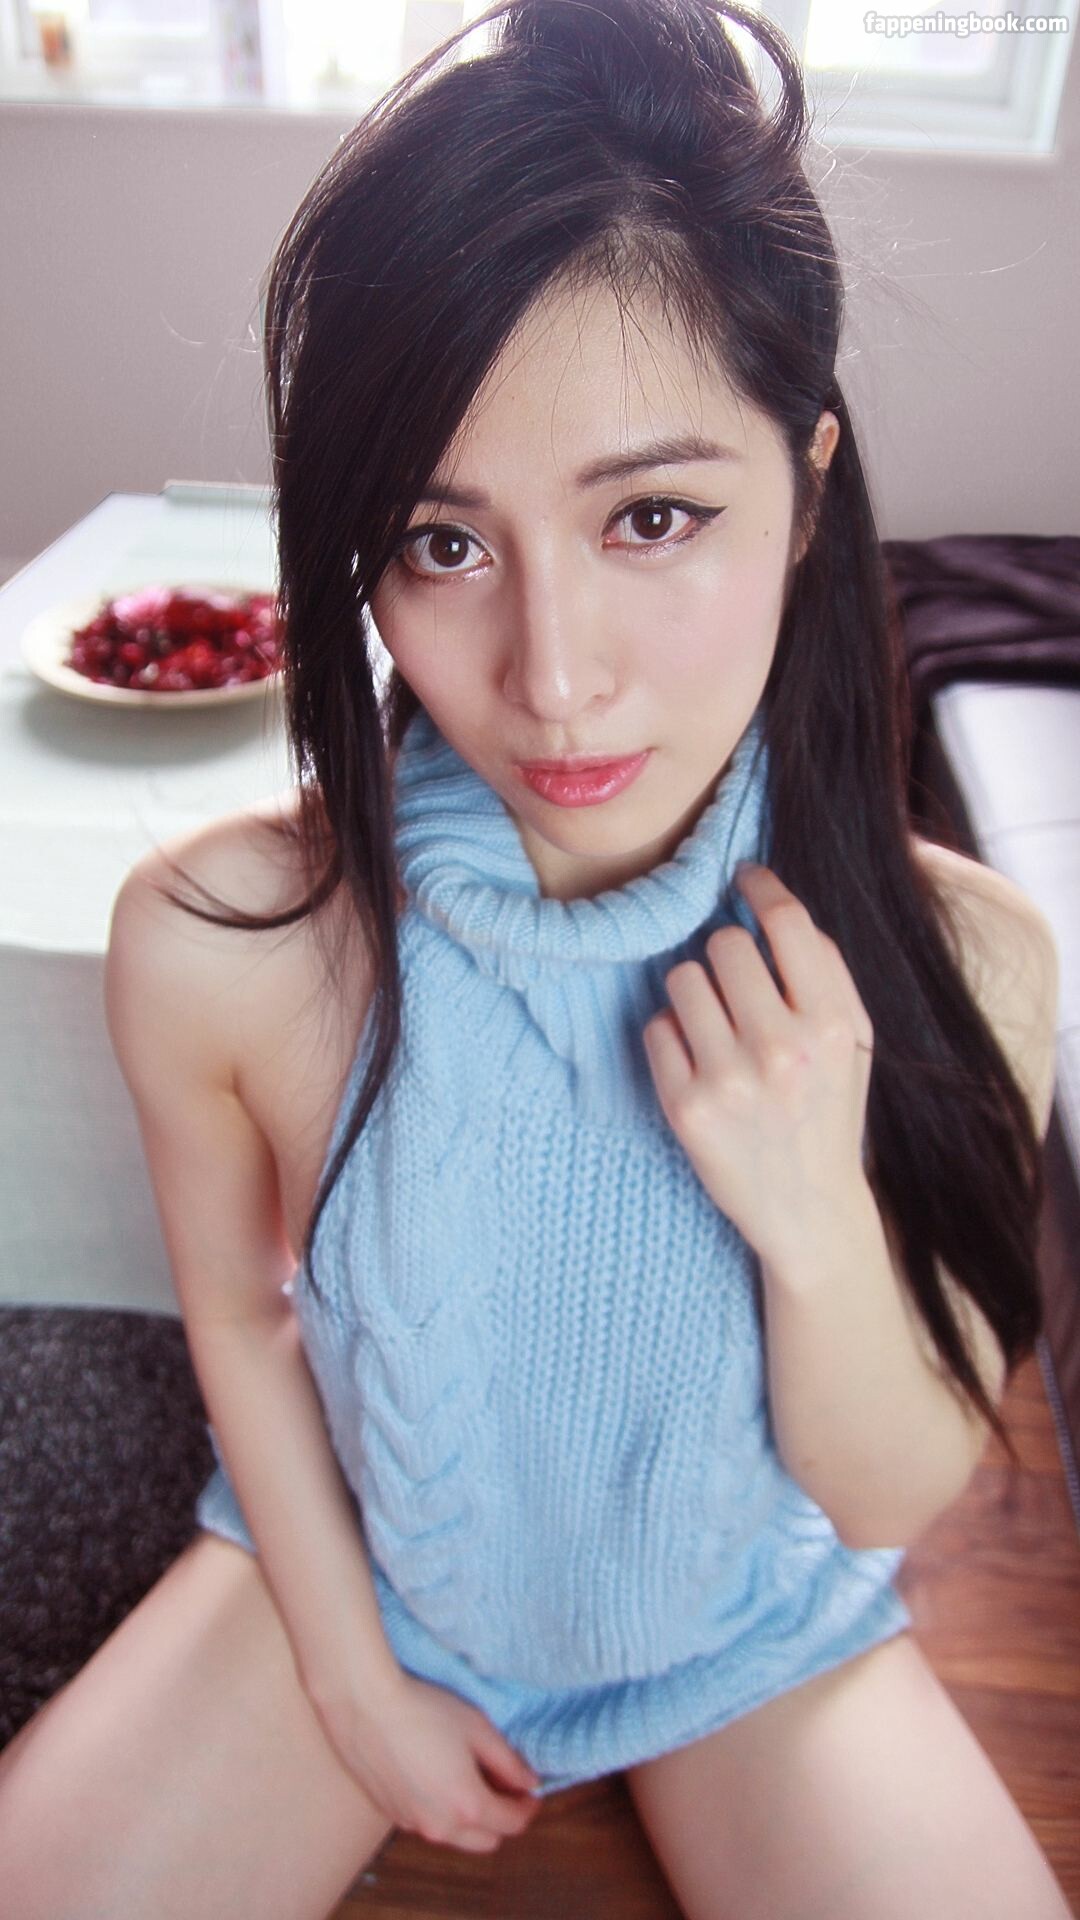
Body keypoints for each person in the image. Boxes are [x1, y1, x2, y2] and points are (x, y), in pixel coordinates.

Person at [0, 1, 1069, 1916]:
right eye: (443, 542)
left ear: (806, 488)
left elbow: (891, 1491)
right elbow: (240, 1321)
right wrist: (358, 1680)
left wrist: (809, 1205)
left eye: (653, 516)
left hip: (751, 1626)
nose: (553, 678)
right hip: (364, 1582)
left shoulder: (966, 951)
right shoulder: (219, 945)